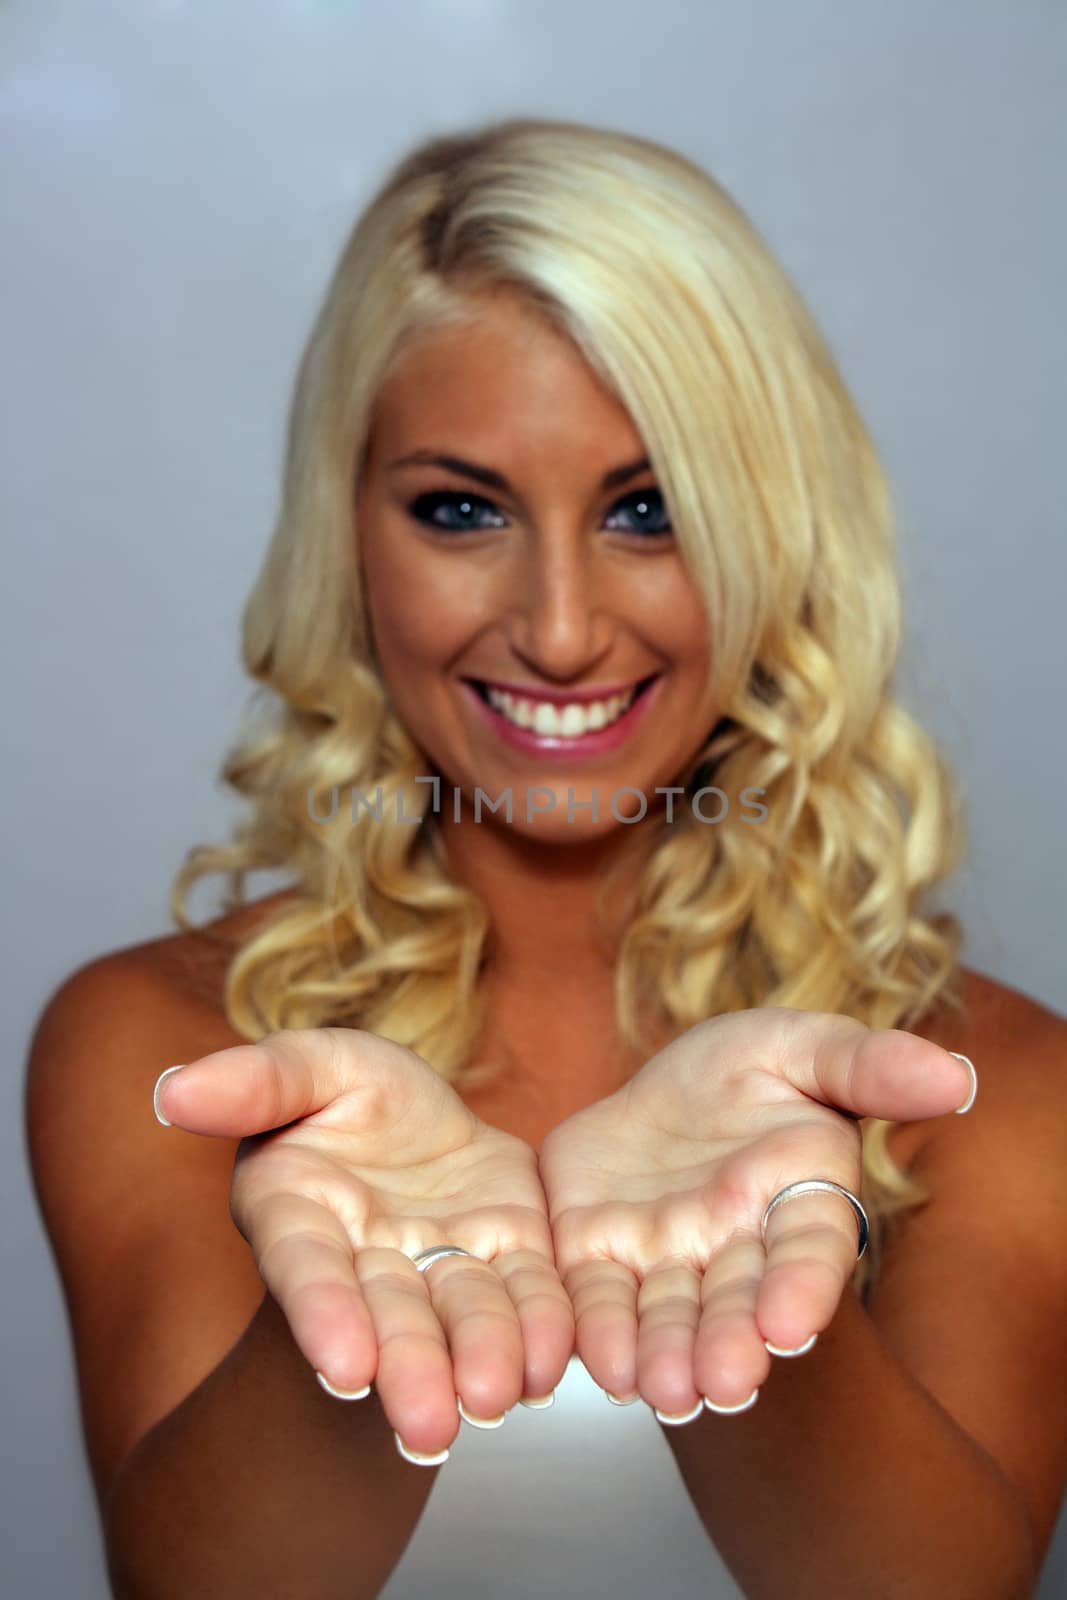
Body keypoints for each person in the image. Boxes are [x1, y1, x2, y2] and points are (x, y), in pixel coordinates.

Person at [24, 116, 1066, 1600]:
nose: (562, 628)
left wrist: (780, 1306)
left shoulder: (985, 1087)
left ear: (772, 534)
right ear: (351, 538)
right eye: (462, 510)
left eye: (649, 510)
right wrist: (370, 1318)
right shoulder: (168, 1051)